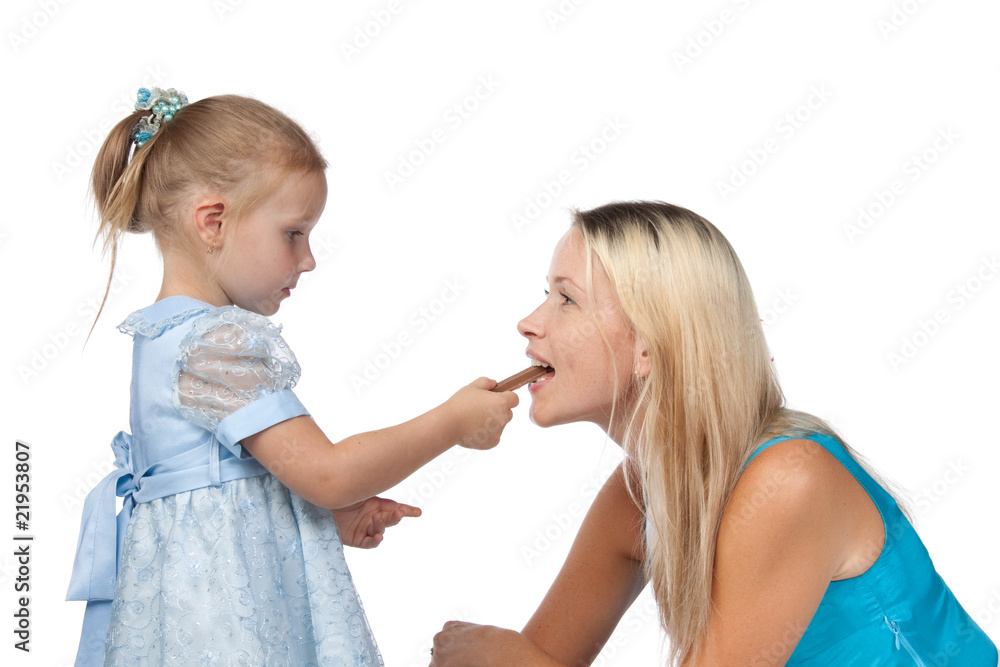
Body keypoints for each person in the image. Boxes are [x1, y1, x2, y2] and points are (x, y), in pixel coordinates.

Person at [429, 201, 998, 666]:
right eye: (545, 295)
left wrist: (509, 659)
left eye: (567, 299)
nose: (529, 322)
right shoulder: (638, 493)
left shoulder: (789, 480)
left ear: (649, 346)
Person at [65, 86, 518, 667]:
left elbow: (212, 491)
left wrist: (324, 516)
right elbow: (328, 472)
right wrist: (452, 422)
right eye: (293, 233)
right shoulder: (213, 344)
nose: (308, 259)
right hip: (226, 625)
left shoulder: (165, 334)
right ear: (213, 222)